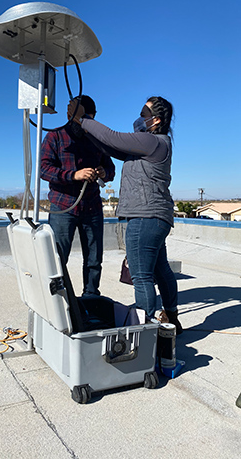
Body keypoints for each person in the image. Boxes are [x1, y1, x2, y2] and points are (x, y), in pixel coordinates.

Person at [68, 95, 182, 333]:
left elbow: (114, 137)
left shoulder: (153, 142)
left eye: (144, 113)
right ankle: (171, 320)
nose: (140, 118)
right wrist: (84, 127)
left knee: (141, 277)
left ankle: (147, 333)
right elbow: (110, 145)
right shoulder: (152, 144)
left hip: (144, 217)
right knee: (161, 270)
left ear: (157, 120)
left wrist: (83, 118)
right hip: (156, 218)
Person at [40, 95, 115, 297]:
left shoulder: (97, 139)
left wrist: (103, 173)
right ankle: (58, 300)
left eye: (85, 118)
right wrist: (73, 175)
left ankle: (91, 296)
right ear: (68, 113)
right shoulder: (55, 136)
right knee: (58, 257)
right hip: (63, 208)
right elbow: (43, 169)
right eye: (76, 115)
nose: (81, 122)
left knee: (93, 258)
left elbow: (111, 169)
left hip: (91, 207)